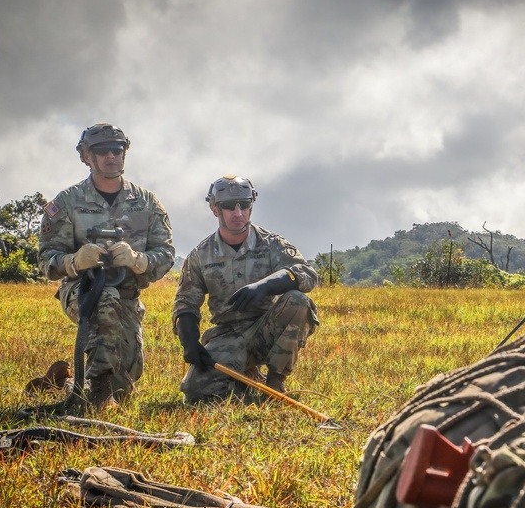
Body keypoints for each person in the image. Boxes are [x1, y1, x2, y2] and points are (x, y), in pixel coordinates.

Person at [37, 123, 175, 408]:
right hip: (82, 289)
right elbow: (45, 260)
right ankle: (99, 393)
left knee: (125, 383)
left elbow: (167, 253)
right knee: (105, 298)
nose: (111, 156)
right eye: (101, 151)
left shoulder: (147, 203)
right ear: (86, 156)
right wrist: (74, 261)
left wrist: (139, 260)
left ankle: (61, 383)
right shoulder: (67, 202)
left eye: (117, 149)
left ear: (125, 153)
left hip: (128, 295)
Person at [172, 175, 319, 403]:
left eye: (244, 205)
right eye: (229, 207)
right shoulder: (200, 255)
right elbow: (185, 303)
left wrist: (265, 286)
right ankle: (246, 379)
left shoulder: (271, 244)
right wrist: (190, 342)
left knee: (298, 301)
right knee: (196, 394)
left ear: (252, 205)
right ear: (214, 209)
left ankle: (275, 382)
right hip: (226, 335)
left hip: (266, 328)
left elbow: (307, 274)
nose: (238, 213)